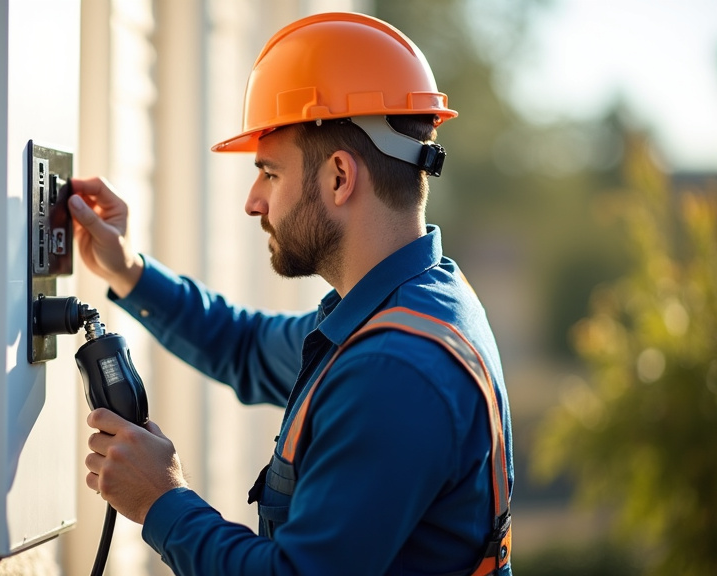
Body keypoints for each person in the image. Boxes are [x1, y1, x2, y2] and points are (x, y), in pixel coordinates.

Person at [69, 12, 513, 576]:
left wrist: (163, 503)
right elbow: (245, 346)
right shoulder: (404, 305)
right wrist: (127, 268)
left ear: (338, 177)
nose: (254, 201)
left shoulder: (396, 370)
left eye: (270, 174)